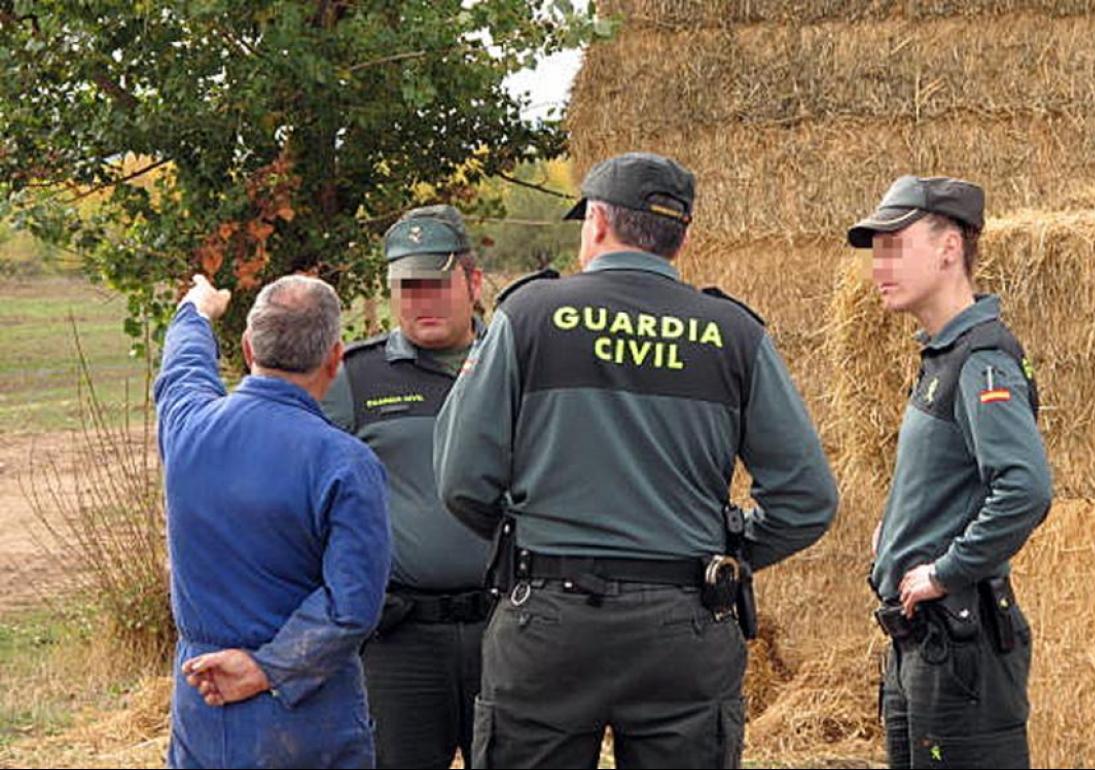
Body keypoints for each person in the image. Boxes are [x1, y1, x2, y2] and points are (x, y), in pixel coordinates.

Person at [432, 151, 839, 769]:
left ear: (597, 221)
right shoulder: (733, 333)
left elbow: (462, 477)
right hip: (685, 621)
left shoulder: (531, 316)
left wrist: (526, 537)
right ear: (681, 237)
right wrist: (730, 548)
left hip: (550, 616)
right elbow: (808, 499)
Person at [848, 175, 1053, 769]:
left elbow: (1025, 488)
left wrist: (945, 569)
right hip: (926, 644)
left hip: (961, 649)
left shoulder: (981, 358)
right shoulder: (944, 355)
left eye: (895, 244)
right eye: (875, 249)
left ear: (949, 248)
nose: (879, 265)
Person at [156, 273, 391, 769]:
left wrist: (195, 309)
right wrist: (266, 669)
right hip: (308, 714)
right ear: (335, 358)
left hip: (203, 701)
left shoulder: (186, 428)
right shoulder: (345, 462)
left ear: (247, 347)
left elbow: (181, 367)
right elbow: (352, 605)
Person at [320, 204, 491, 768]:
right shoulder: (356, 377)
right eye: (406, 287)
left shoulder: (513, 366)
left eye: (437, 284)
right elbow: (306, 491)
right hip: (401, 640)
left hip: (510, 632)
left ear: (473, 282)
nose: (422, 302)